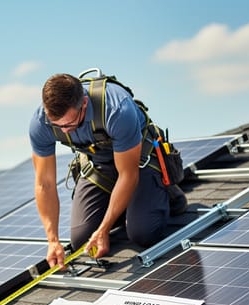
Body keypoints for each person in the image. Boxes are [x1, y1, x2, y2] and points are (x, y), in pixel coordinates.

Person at [28, 72, 187, 268]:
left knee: (144, 233)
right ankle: (126, 206)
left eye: (69, 124)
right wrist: (52, 240)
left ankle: (166, 193)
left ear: (84, 103)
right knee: (81, 240)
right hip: (100, 166)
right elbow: (44, 184)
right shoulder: (40, 122)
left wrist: (104, 229)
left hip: (138, 162)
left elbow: (128, 175)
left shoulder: (117, 110)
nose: (64, 130)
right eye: (57, 125)